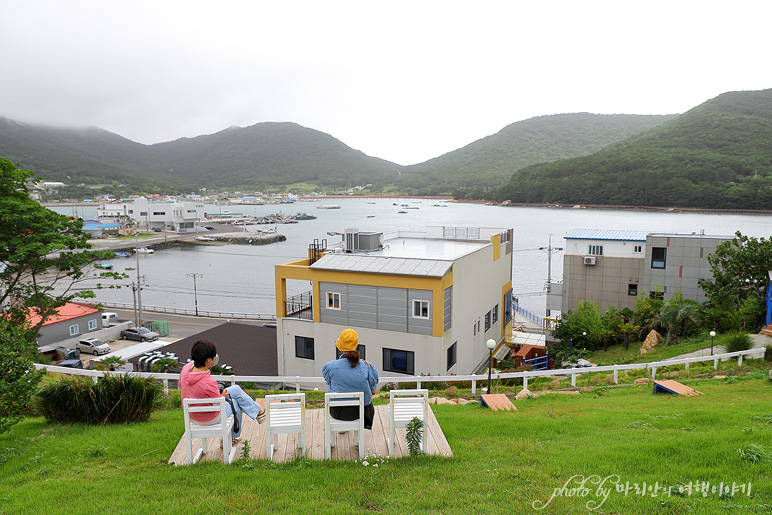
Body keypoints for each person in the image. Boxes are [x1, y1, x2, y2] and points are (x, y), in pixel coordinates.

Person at [179, 339, 265, 444]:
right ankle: (233, 438)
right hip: (208, 418)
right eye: (213, 356)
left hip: (192, 415)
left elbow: (180, 387)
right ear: (208, 360)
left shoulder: (186, 369)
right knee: (235, 403)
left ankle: (259, 412)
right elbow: (218, 403)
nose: (215, 357)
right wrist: (223, 396)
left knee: (236, 390)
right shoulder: (208, 382)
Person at [322, 328, 379, 430]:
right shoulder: (367, 366)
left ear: (340, 348)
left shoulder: (329, 366)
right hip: (361, 413)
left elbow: (328, 382)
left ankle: (342, 429)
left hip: (337, 412)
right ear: (356, 345)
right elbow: (373, 392)